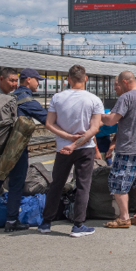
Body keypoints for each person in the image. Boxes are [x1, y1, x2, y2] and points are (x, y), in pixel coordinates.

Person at [0, 68, 48, 233]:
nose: (39, 84)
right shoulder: (26, 98)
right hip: (16, 149)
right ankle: (11, 221)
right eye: (37, 80)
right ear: (28, 80)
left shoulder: (4, 96)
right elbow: (47, 119)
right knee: (16, 184)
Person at [38, 65, 102, 237]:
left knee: (56, 184)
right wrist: (79, 140)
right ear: (86, 78)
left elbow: (49, 124)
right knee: (83, 185)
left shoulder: (57, 98)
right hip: (86, 149)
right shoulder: (94, 99)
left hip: (62, 149)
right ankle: (78, 225)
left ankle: (46, 222)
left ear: (68, 79)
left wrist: (68, 137)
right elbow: (94, 129)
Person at [101, 71, 136, 229]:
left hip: (128, 149)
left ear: (125, 82)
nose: (117, 87)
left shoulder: (126, 97)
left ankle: (124, 218)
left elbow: (111, 120)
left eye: (118, 83)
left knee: (119, 183)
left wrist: (99, 115)